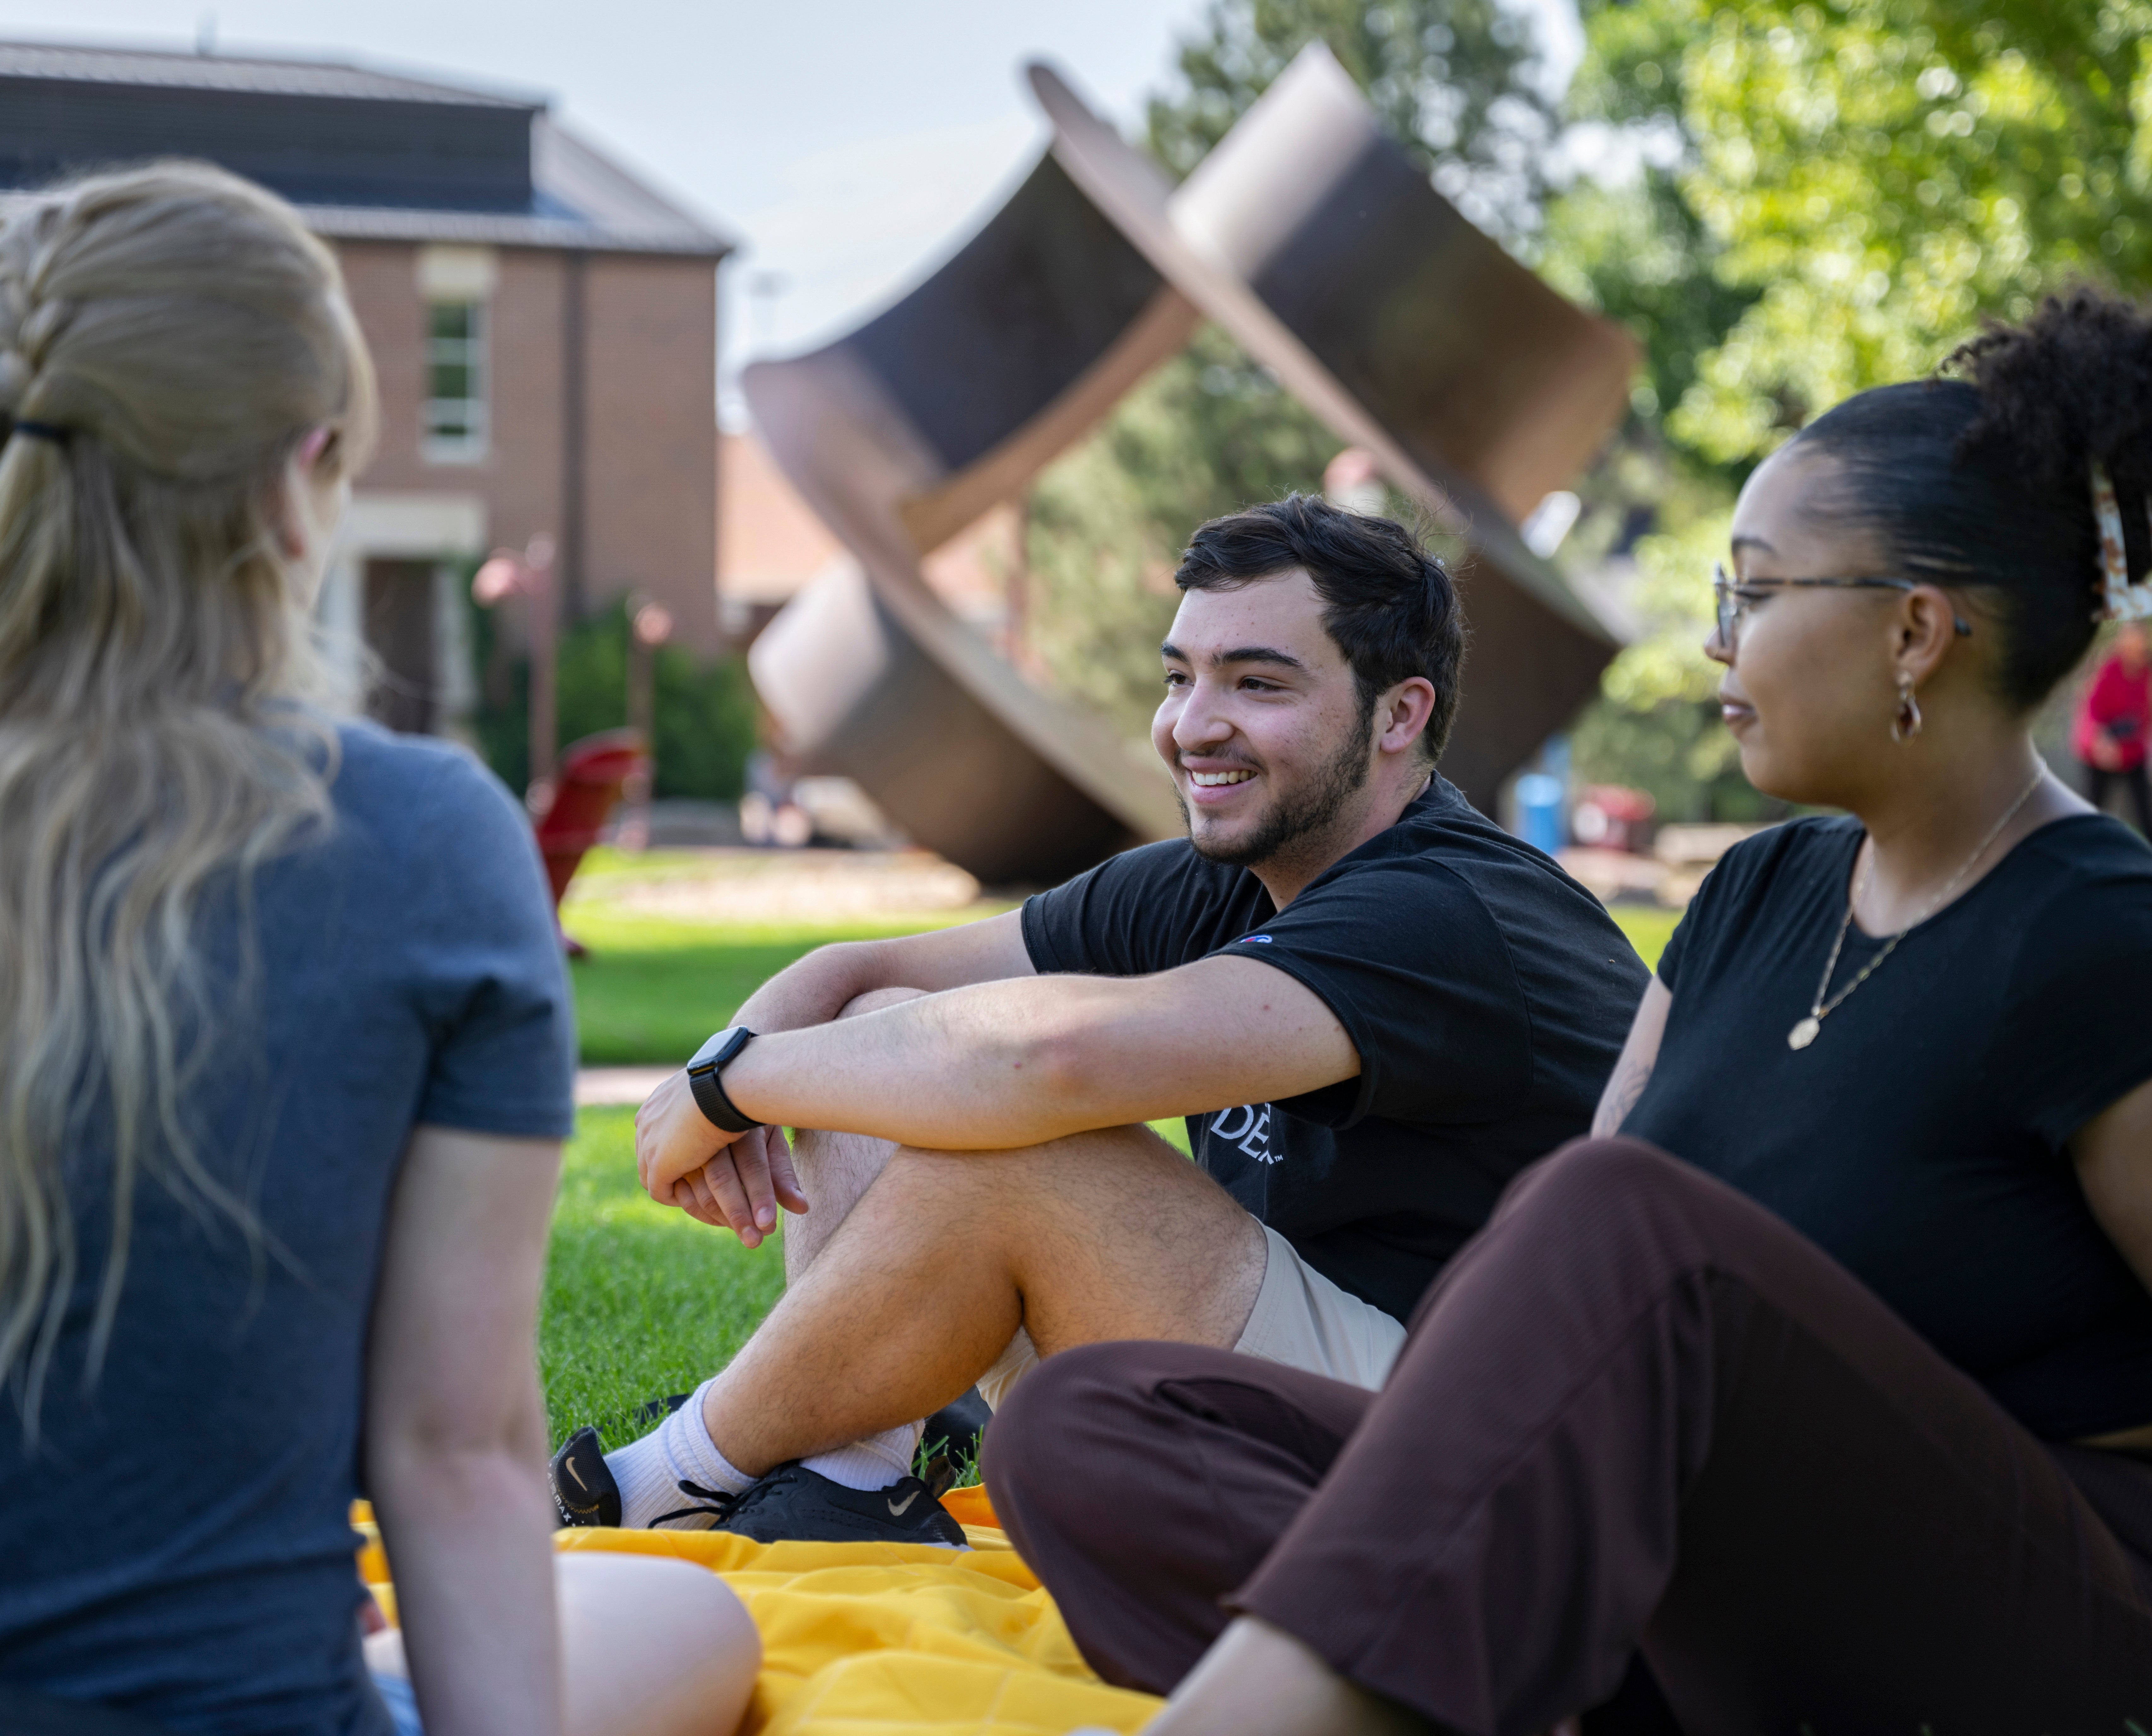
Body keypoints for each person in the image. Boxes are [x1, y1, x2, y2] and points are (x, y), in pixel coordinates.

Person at [985, 287, 2152, 1735]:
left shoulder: (2099, 934)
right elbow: (1551, 1256)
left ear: (1916, 632)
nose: (1717, 645)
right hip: (1704, 1566)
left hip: (2013, 1619)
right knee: (1088, 1425)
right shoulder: (1754, 894)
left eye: (1760, 591)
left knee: (1618, 1211)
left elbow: (1614, 1228)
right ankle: (1494, 1681)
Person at [0, 164, 757, 1736]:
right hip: (241, 1702)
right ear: (304, 474)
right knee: (678, 1604)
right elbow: (458, 1443)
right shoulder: (419, 838)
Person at [555, 496, 1649, 1546]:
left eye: (1257, 683)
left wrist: (722, 1091)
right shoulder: (1234, 871)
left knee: (1017, 1150)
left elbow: (1048, 1061)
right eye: (1181, 677)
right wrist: (732, 1063)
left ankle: (662, 1482)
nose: (1193, 726)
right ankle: (844, 1479)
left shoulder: (1445, 910)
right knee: (891, 1026)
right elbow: (859, 974)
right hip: (1299, 1392)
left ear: (1399, 713)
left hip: (1484, 1457)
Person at [2073, 619, 2152, 833]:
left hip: (2131, 752)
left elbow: (2145, 718)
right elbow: (2090, 711)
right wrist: (2100, 742)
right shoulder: (2109, 670)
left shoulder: (2146, 674)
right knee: (2091, 810)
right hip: (2102, 750)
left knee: (2145, 812)